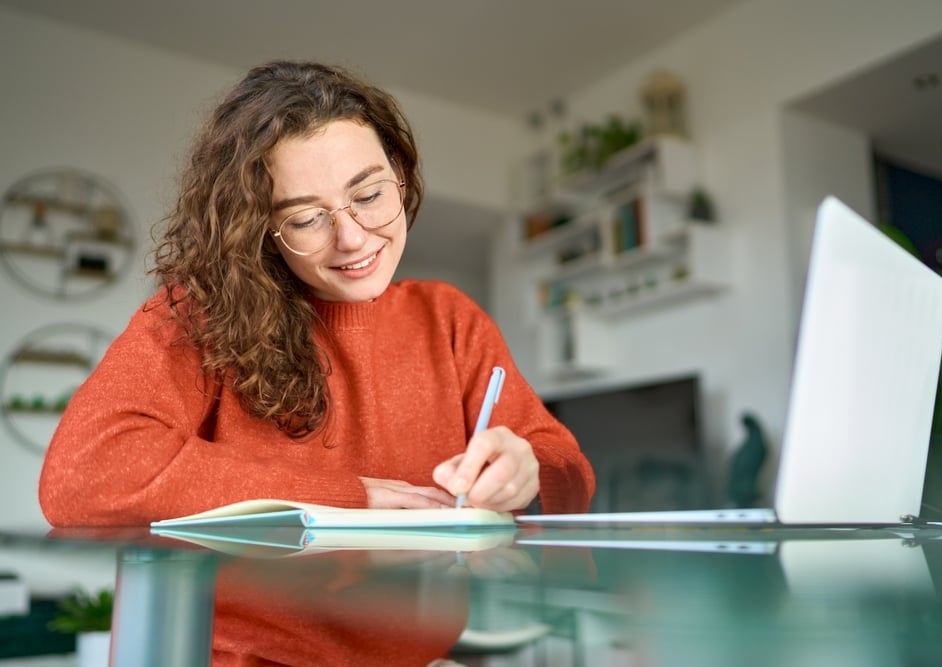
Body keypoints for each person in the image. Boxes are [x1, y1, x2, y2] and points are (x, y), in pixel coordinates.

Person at [38, 60, 595, 665]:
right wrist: (344, 500)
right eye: (305, 218)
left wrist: (527, 468)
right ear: (258, 230)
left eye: (370, 194)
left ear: (401, 175)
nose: (353, 238)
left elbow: (562, 462)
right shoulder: (195, 316)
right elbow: (84, 474)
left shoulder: (450, 320)